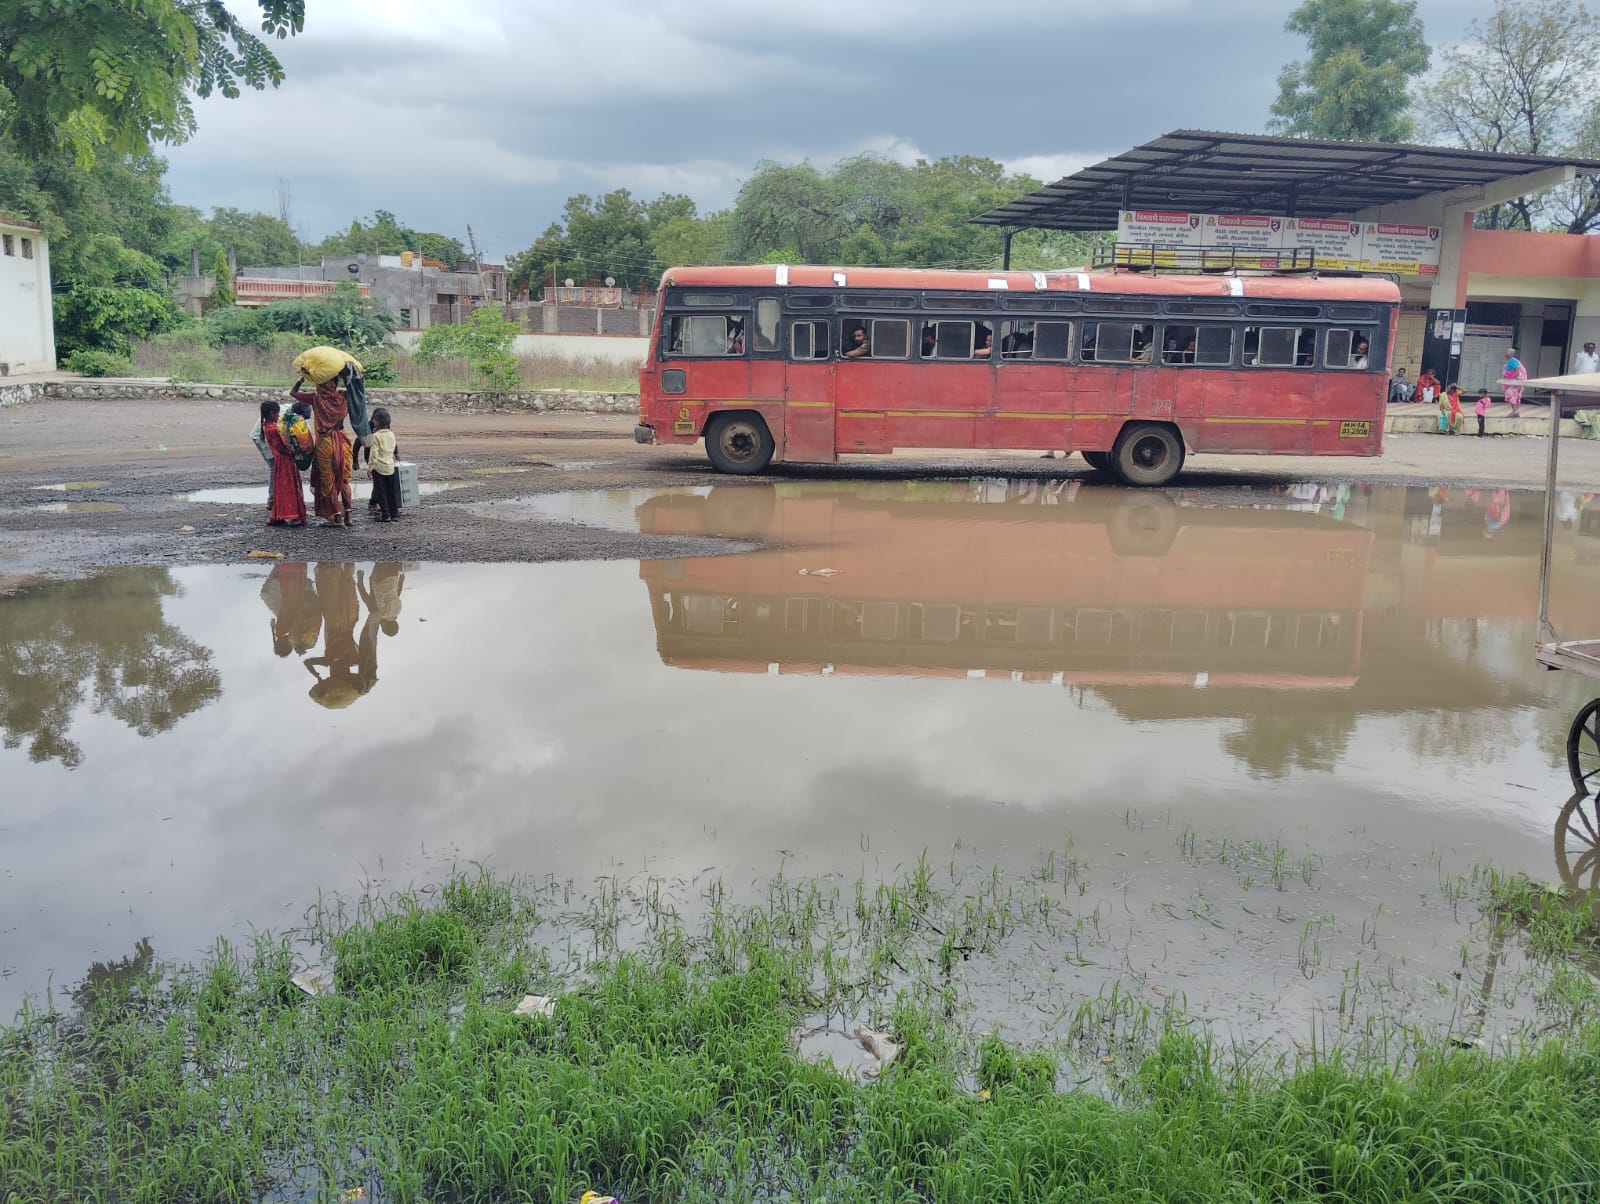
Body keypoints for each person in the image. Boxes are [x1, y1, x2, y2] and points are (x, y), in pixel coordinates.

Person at [291, 377, 356, 527]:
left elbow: (293, 392)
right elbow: (357, 391)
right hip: (342, 441)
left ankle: (337, 517)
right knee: (345, 480)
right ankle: (349, 516)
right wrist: (348, 379)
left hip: (325, 443)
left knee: (328, 482)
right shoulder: (343, 396)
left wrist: (301, 379)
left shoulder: (315, 399)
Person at [259, 401, 307, 527]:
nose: (278, 416)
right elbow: (281, 447)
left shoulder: (267, 426)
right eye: (277, 413)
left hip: (280, 461)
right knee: (289, 488)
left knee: (280, 488)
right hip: (285, 460)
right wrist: (294, 449)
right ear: (272, 413)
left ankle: (278, 515)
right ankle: (294, 515)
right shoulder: (273, 428)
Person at [365, 407, 400, 522]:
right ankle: (394, 513)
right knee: (391, 491)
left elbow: (373, 453)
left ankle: (385, 515)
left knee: (381, 492)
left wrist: (370, 467)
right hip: (390, 466)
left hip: (379, 468)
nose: (372, 422)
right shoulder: (391, 434)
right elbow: (393, 447)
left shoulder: (376, 436)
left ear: (378, 422)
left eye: (374, 420)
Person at [1502, 349, 1526, 416]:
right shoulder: (1512, 361)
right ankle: (1516, 411)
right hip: (1517, 382)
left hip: (1515, 382)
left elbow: (1517, 368)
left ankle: (1515, 411)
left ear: (1510, 354)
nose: (1505, 353)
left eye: (1506, 352)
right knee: (1516, 396)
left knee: (1509, 394)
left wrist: (1516, 377)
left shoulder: (1512, 360)